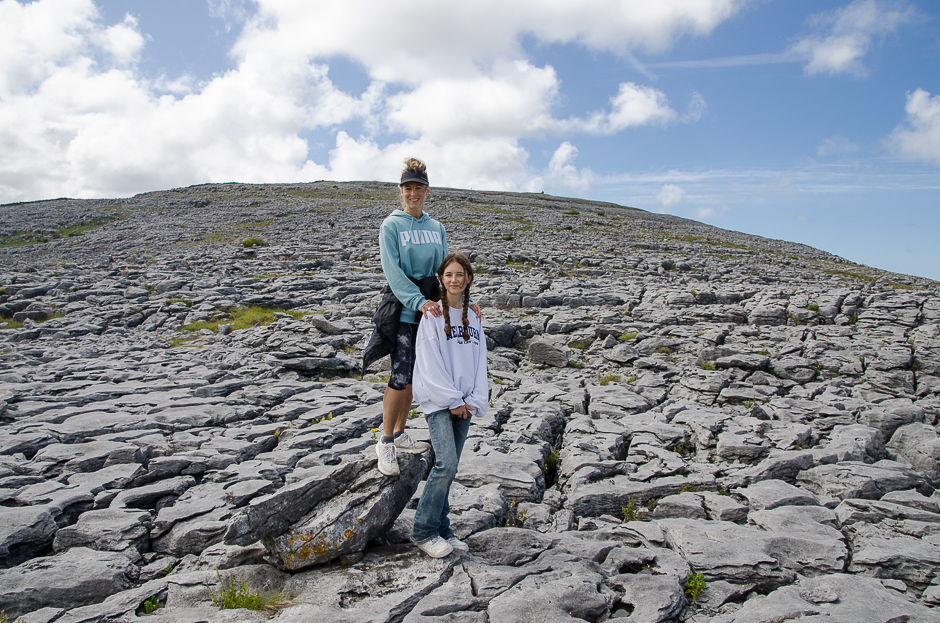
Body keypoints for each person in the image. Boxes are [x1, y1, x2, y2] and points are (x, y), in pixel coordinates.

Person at [366, 158, 479, 477]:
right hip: (406, 309)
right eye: (407, 188)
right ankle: (385, 441)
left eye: (418, 188)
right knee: (400, 376)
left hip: (430, 309)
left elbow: (447, 271)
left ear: (427, 191)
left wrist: (465, 303)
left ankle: (400, 434)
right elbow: (394, 272)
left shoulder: (436, 228)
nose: (412, 193)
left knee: (415, 377)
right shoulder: (391, 226)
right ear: (401, 192)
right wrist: (417, 302)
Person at [410, 252, 488, 558]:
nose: (454, 280)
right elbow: (429, 361)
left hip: (465, 403)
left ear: (468, 279)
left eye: (460, 275)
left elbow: (479, 361)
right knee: (446, 464)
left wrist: (474, 401)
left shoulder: (474, 317)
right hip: (440, 402)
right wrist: (452, 400)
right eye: (448, 275)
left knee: (450, 468)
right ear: (441, 280)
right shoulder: (432, 316)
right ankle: (423, 530)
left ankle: (443, 528)